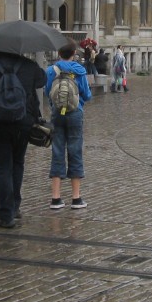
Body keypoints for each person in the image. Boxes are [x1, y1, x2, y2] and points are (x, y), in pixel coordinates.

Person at [0, 49, 45, 227]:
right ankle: (14, 207)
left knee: (1, 168)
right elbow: (42, 79)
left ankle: (6, 216)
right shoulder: (29, 66)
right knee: (17, 163)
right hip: (23, 122)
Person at [45, 42, 93, 210]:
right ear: (73, 53)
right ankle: (76, 198)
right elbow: (87, 95)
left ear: (59, 53)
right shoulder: (80, 71)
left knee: (57, 150)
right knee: (75, 150)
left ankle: (56, 199)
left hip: (57, 113)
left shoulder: (51, 70)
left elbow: (48, 93)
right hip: (75, 112)